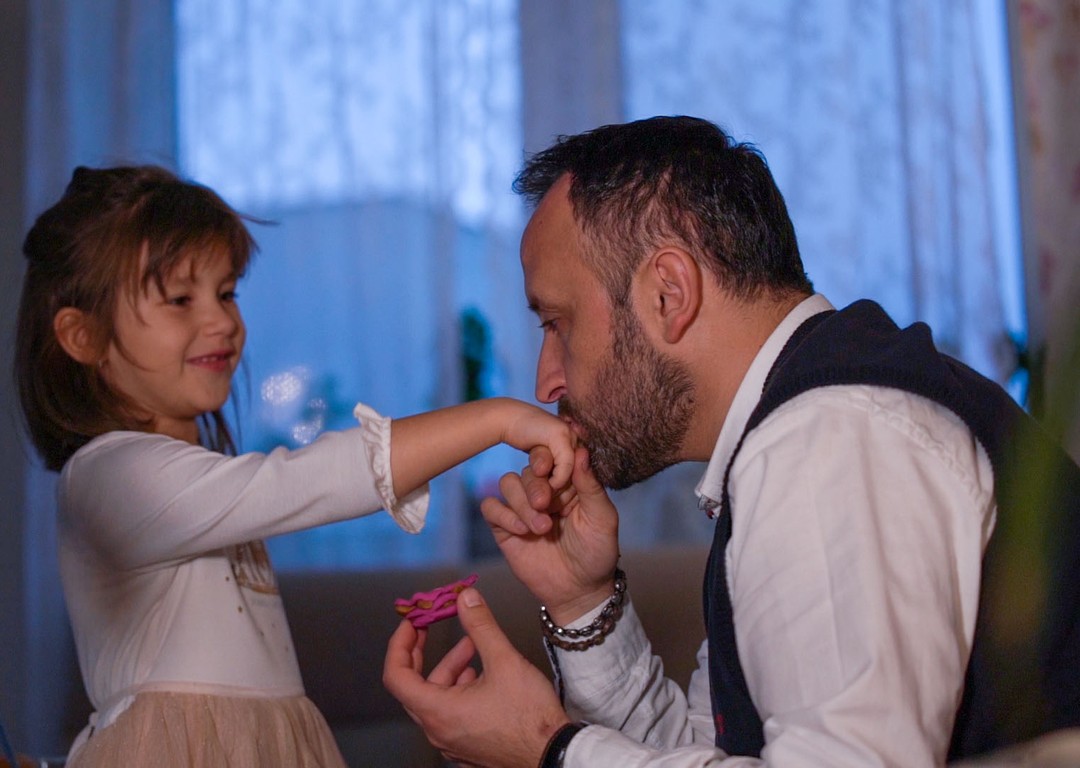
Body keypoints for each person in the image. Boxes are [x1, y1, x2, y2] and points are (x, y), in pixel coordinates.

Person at [383, 116, 1080, 766]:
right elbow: (721, 753)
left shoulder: (827, 442)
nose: (546, 382)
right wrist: (582, 604)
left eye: (557, 323)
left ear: (669, 293)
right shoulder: (800, 428)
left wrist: (549, 748)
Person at [14, 164, 577, 767]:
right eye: (180, 299)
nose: (221, 321)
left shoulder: (195, 479)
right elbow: (300, 481)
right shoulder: (106, 476)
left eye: (226, 293)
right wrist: (496, 419)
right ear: (83, 338)